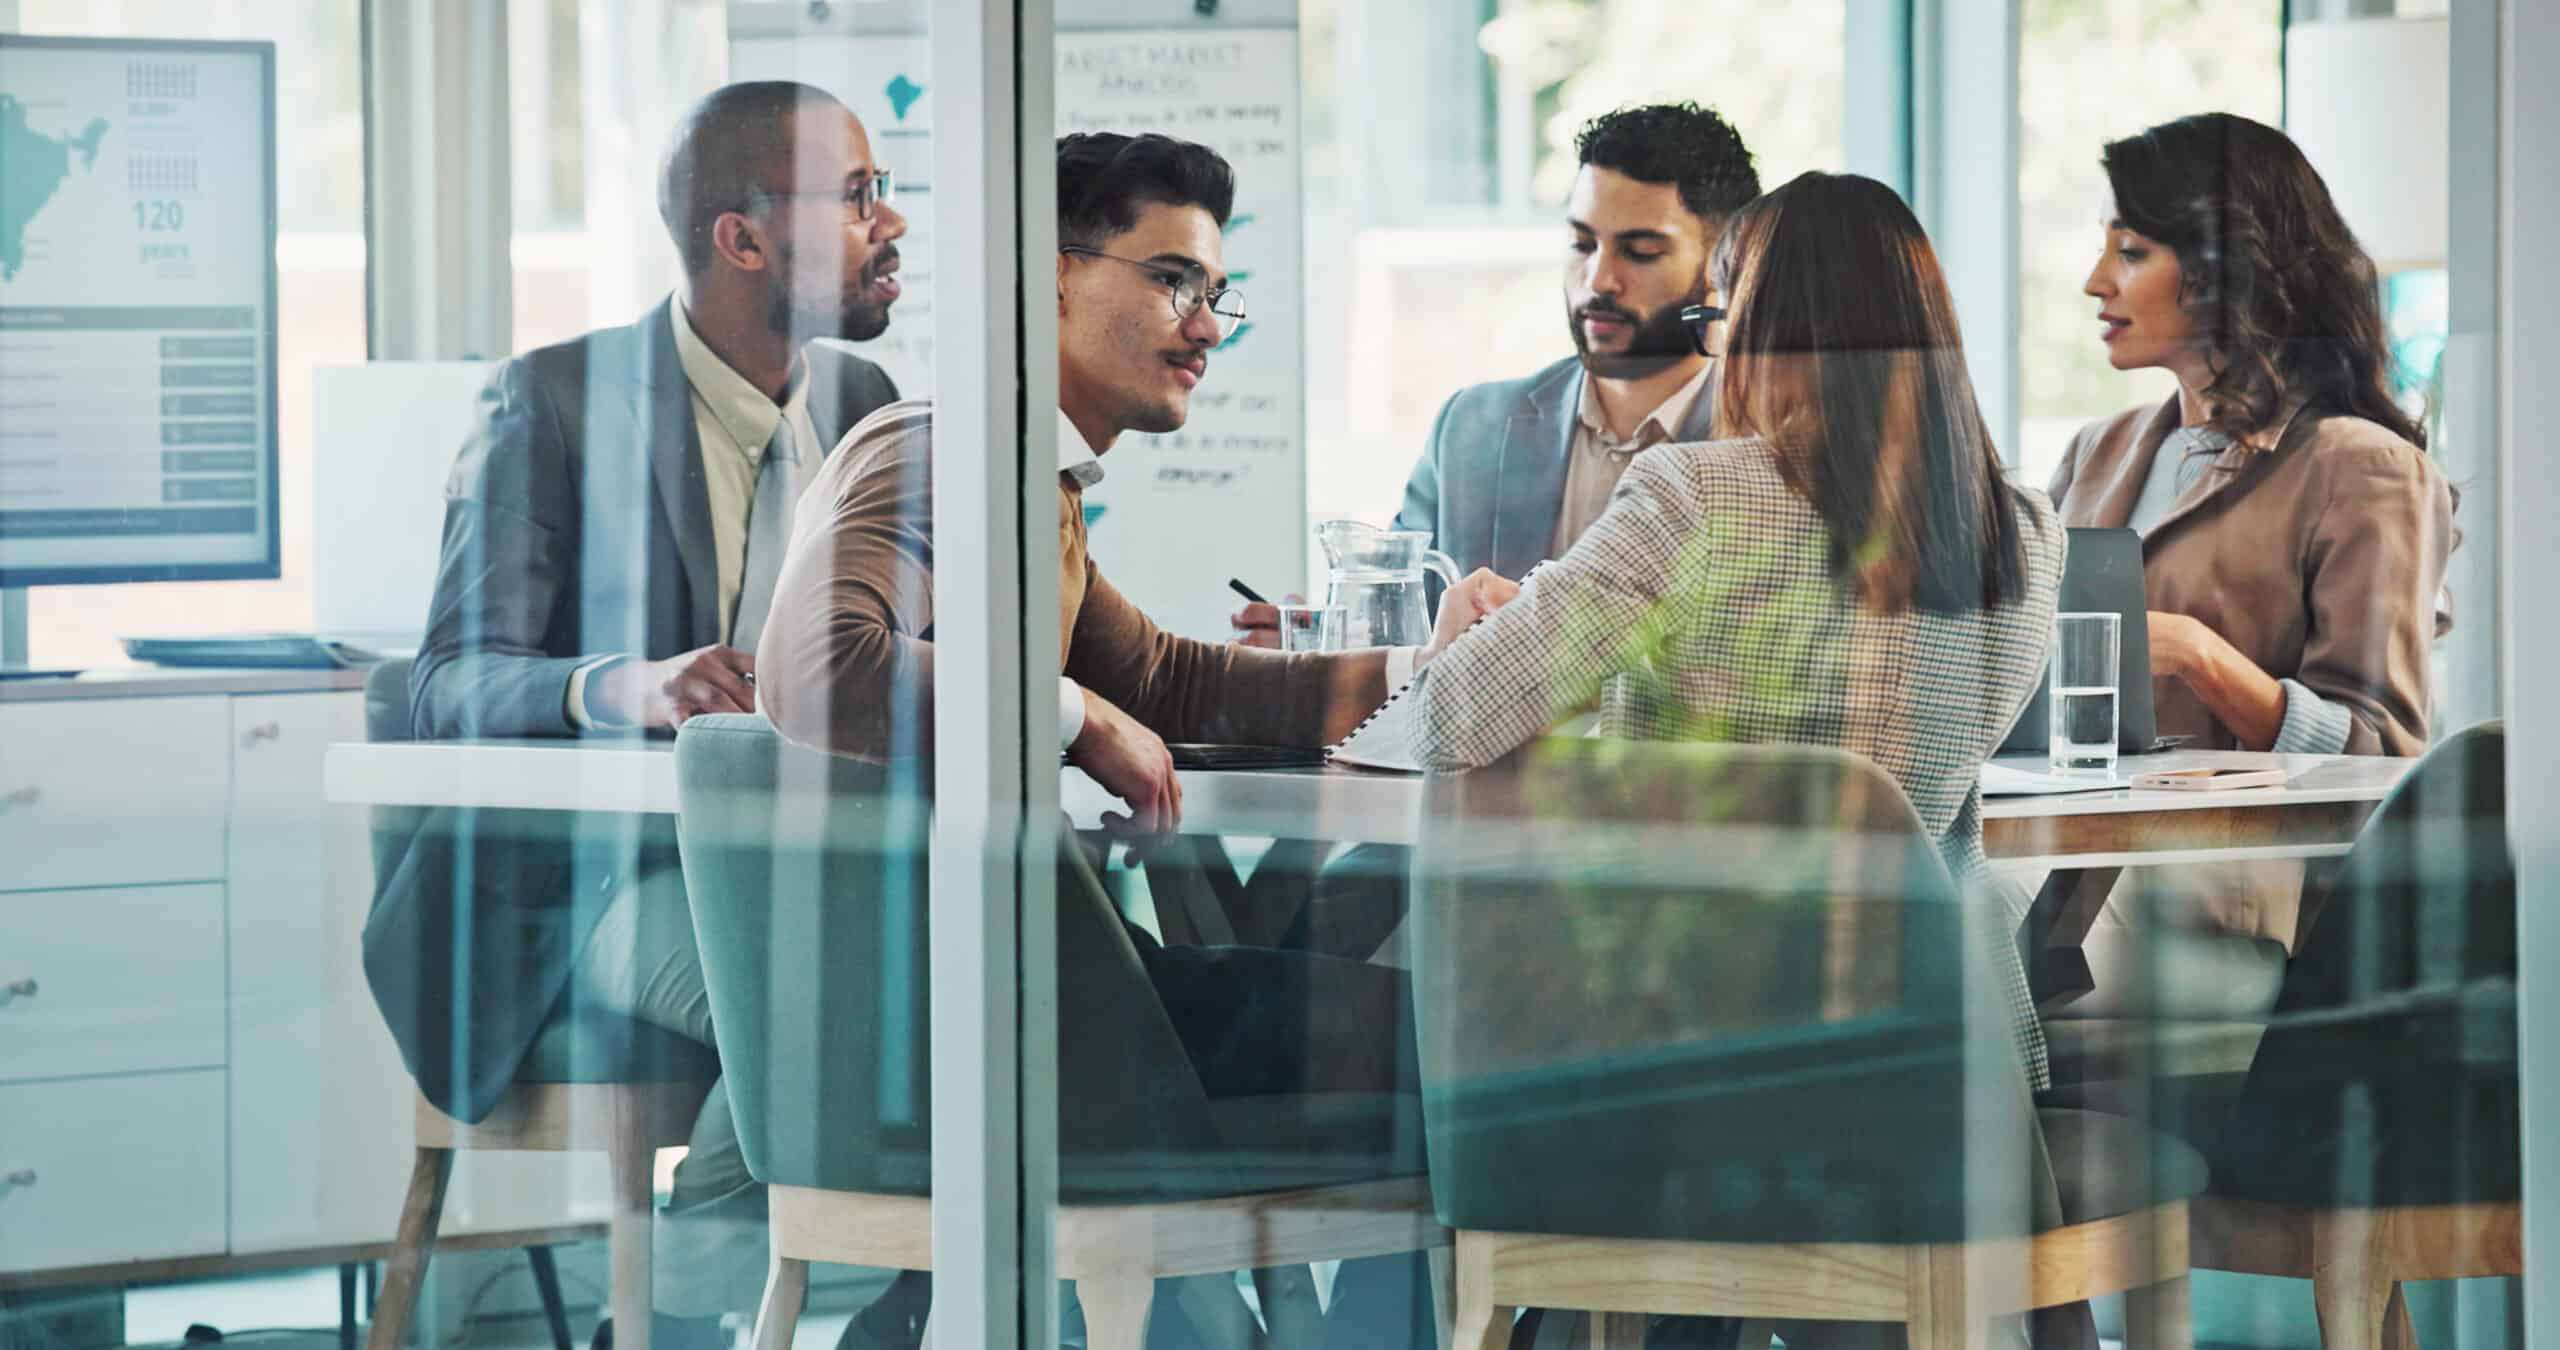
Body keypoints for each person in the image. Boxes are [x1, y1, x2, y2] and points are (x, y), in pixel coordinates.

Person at [755, 131, 1415, 1349]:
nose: (1206, 328)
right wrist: (1069, 711)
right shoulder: (944, 448)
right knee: (1457, 1035)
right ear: (1048, 274)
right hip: (989, 1034)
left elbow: (1171, 681)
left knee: (1410, 1014)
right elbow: (810, 667)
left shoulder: (1027, 480)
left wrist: (1450, 670)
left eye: (1215, 293)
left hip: (981, 1016)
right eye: (1172, 280)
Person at [1404, 170, 2070, 1350]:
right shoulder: (2023, 532)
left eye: (1721, 317)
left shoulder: (1695, 493)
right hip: (1933, 1074)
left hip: (1682, 1063)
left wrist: (1482, 629)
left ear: (1763, 328)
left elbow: (1448, 720)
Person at [363, 80, 906, 1344]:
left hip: (806, 861)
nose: (890, 225)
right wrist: (623, 685)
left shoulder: (864, 402)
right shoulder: (553, 400)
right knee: (814, 997)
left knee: (957, 977)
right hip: (588, 882)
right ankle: (683, 1319)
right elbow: (447, 679)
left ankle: (725, 1315)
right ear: (743, 237)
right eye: (857, 196)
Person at [2041, 113, 2458, 1061]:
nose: (2097, 281)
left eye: (2131, 252)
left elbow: (2383, 753)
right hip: (2068, 889)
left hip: (2216, 920)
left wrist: (2201, 658)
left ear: (2226, 270)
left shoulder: (2363, 468)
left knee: (1941, 996)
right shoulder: (2097, 453)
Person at [1232, 101, 1759, 646]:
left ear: (1725, 266)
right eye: (1582, 244)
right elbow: (1402, 633)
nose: (1598, 279)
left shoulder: (1766, 448)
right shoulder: (1471, 429)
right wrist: (1317, 641)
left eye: (1641, 251)